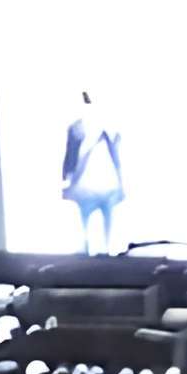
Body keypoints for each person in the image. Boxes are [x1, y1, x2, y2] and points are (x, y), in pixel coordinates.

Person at [62, 90, 124, 253]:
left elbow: (71, 153)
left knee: (91, 217)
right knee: (102, 217)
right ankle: (103, 249)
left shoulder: (78, 127)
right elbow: (71, 153)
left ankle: (94, 248)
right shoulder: (102, 126)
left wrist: (66, 177)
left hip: (93, 182)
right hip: (99, 182)